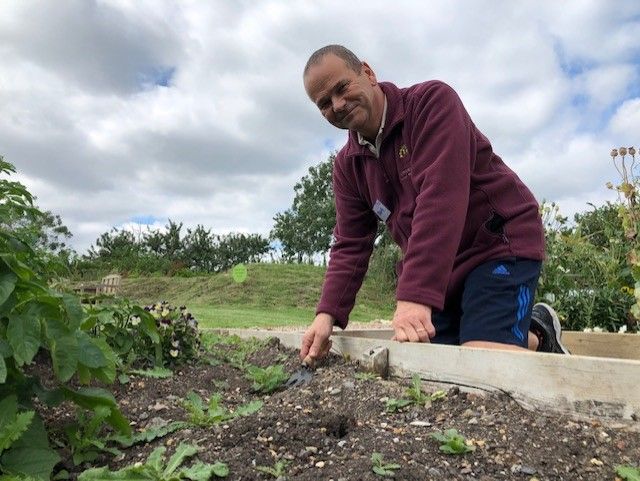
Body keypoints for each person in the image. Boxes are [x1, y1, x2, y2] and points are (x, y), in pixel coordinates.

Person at [299, 44, 570, 363]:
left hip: (496, 243)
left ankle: (510, 336)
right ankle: (539, 335)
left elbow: (441, 198)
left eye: (342, 88)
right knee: (430, 359)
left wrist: (414, 295)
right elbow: (350, 244)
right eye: (324, 104)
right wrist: (326, 314)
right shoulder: (349, 166)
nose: (338, 104)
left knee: (481, 363)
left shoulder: (431, 104)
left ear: (368, 74)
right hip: (445, 266)